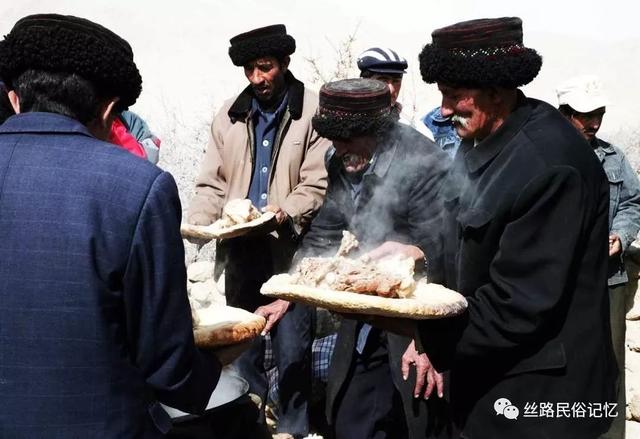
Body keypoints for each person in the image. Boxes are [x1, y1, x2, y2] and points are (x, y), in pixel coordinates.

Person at [369, 17, 617, 438]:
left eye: (454, 96)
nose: (444, 111)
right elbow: (468, 237)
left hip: (542, 400)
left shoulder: (550, 166)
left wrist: (412, 323)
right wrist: (420, 254)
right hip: (491, 387)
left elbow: (516, 306)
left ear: (497, 92)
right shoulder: (480, 142)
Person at [0, 14, 222, 437]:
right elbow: (167, 367)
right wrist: (218, 362)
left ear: (15, 99)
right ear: (108, 110)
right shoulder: (140, 187)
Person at [187, 24, 330, 438]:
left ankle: (295, 429)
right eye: (249, 69)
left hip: (291, 255)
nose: (256, 78)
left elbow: (317, 183)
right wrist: (198, 222)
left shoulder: (312, 112)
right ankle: (250, 426)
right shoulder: (229, 115)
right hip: (242, 250)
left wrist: (283, 213)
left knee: (292, 351)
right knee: (242, 345)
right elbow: (211, 183)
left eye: (264, 68)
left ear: (284, 63)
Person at [297, 78, 450, 438]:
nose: (339, 147)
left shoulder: (424, 163)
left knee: (420, 418)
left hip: (417, 319)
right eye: (334, 139)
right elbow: (327, 230)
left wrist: (427, 341)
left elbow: (447, 252)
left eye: (348, 138)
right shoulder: (340, 159)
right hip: (367, 316)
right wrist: (288, 285)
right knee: (352, 418)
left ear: (376, 130)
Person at [557, 74, 640, 439]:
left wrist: (621, 237)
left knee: (609, 368)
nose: (593, 123)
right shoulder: (543, 157)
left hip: (608, 281)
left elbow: (633, 202)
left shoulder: (614, 158)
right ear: (564, 113)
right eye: (584, 115)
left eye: (599, 114)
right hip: (559, 285)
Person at [357, 47, 434, 140]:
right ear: (364, 82)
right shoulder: (346, 123)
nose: (391, 89)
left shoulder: (415, 130)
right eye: (383, 80)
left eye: (396, 81)